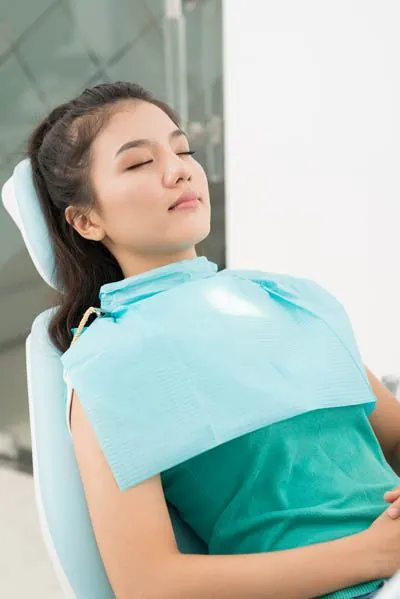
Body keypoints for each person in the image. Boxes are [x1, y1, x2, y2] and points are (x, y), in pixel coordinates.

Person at [26, 81, 400, 599]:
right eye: (138, 163)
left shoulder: (286, 299)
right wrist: (372, 553)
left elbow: (393, 436)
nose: (179, 169)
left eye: (184, 151)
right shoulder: (110, 362)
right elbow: (149, 583)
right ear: (86, 220)